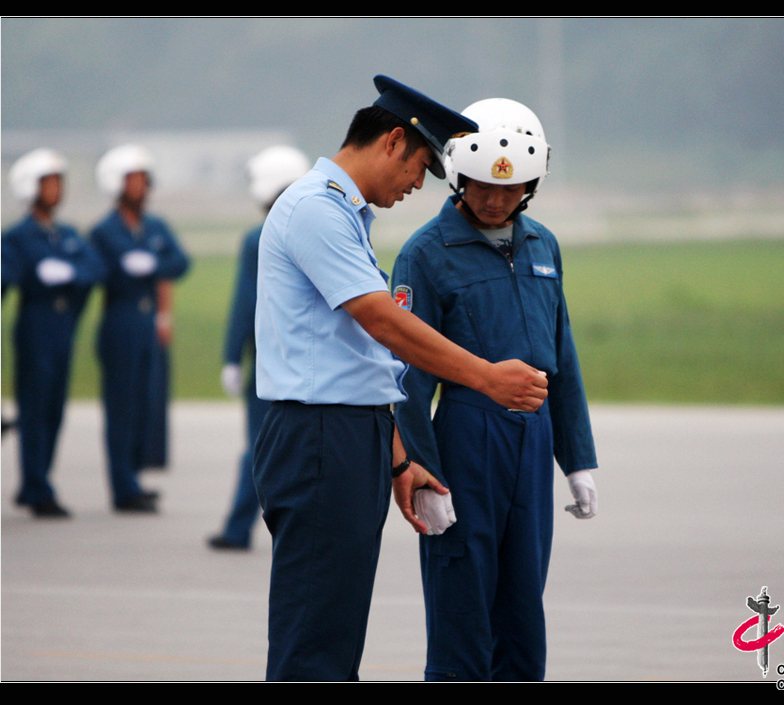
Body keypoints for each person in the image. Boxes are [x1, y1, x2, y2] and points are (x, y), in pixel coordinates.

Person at [253, 75, 549, 681]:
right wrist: (486, 377)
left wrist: (394, 457)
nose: (418, 185)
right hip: (318, 438)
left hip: (347, 434)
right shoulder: (315, 208)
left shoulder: (342, 214)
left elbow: (354, 358)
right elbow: (382, 321)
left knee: (334, 631)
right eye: (419, 167)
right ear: (392, 141)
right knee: (315, 642)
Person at [390, 98, 599, 681]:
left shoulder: (543, 247)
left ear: (532, 184)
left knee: (523, 614)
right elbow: (406, 376)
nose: (495, 198)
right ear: (458, 174)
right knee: (463, 617)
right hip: (466, 441)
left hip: (533, 442)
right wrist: (424, 472)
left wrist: (576, 459)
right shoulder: (425, 255)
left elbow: (562, 358)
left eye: (511, 188)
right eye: (483, 185)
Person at [208, 145, 311, 551]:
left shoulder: (259, 236)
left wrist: (231, 357)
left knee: (258, 445)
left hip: (268, 362)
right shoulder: (319, 225)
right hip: (307, 359)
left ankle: (237, 528)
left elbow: (245, 302)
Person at [1, 148, 106, 517]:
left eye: (59, 182)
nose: (56, 190)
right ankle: (36, 487)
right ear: (30, 187)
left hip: (64, 326)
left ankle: (38, 479)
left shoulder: (66, 233)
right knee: (34, 409)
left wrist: (69, 273)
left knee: (54, 411)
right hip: (35, 323)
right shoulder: (17, 236)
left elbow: (94, 267)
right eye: (49, 182)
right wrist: (35, 273)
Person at [90, 144, 190, 513]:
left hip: (149, 320)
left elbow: (180, 262)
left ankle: (133, 476)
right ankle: (122, 486)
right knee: (121, 406)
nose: (143, 187)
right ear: (116, 183)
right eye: (135, 179)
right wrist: (124, 267)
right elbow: (95, 271)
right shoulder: (104, 231)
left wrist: (152, 265)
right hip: (120, 317)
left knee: (145, 403)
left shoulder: (155, 225)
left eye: (144, 180)